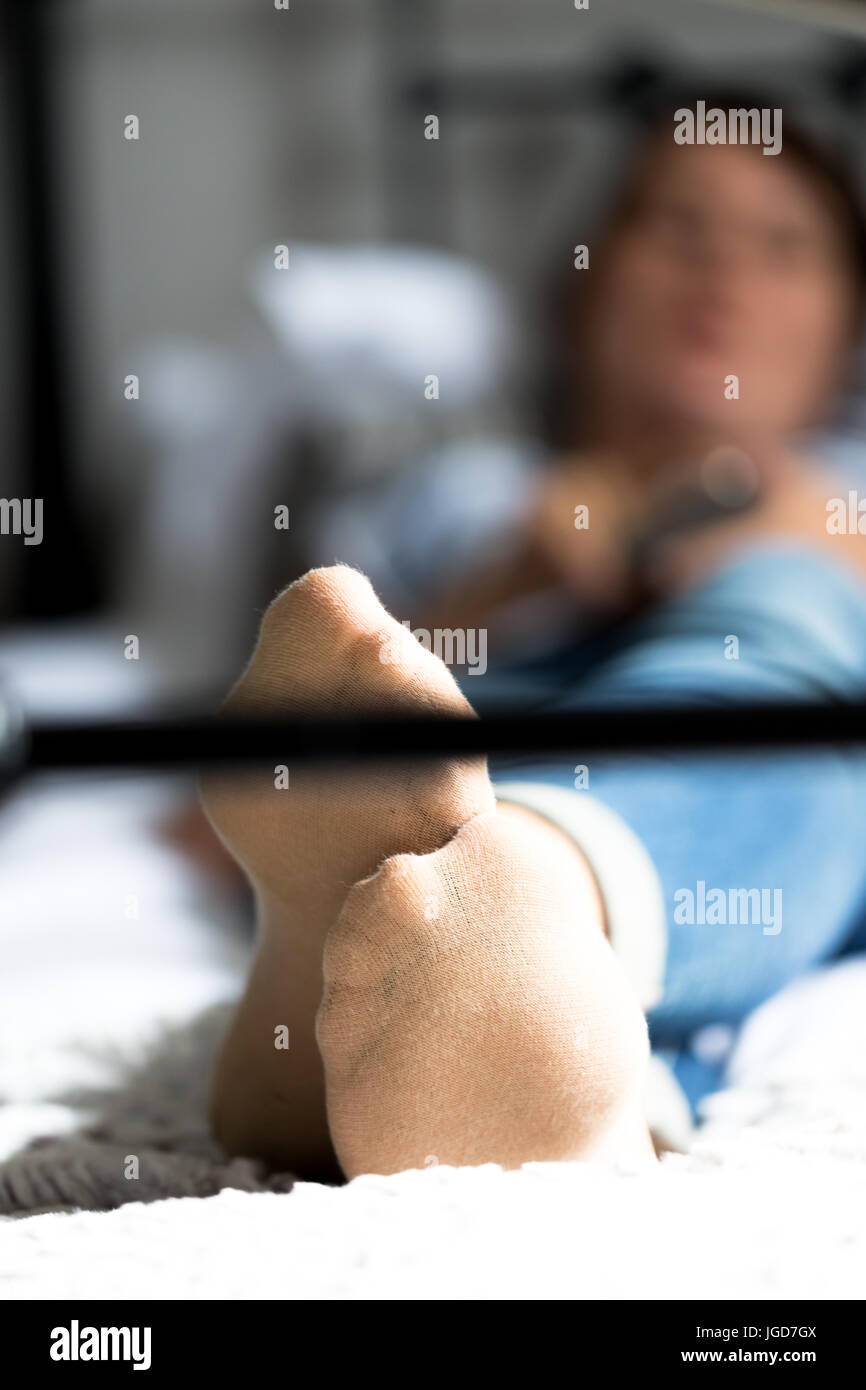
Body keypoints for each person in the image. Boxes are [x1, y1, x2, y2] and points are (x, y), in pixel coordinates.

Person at [200, 95, 866, 1181]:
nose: (723, 278)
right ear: (585, 288)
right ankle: (523, 1025)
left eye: (783, 247)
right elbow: (197, 822)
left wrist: (823, 545)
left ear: (844, 326)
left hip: (796, 768)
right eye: (677, 228)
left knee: (789, 620)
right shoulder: (464, 498)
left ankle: (482, 926)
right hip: (513, 718)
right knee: (387, 717)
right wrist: (507, 581)